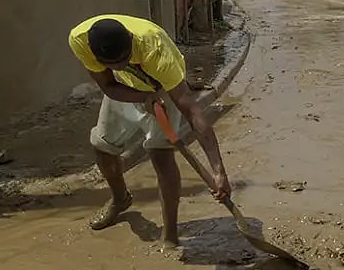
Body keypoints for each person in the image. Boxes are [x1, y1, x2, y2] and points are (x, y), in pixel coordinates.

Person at [68, 15, 231, 247]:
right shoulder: (80, 40)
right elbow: (108, 86)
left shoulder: (155, 50)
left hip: (165, 88)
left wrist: (218, 171)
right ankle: (120, 199)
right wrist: (143, 97)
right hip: (123, 87)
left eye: (125, 59)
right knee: (102, 146)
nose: (121, 66)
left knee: (161, 156)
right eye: (114, 64)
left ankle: (170, 235)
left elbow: (191, 109)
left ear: (131, 42)